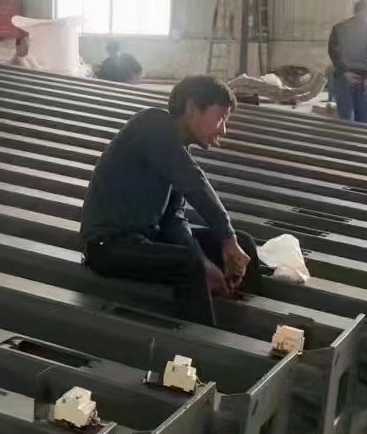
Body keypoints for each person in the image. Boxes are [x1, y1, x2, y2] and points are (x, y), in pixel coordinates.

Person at [80, 74, 260, 326]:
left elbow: (174, 218)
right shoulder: (151, 126)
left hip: (146, 238)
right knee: (192, 264)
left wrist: (209, 255)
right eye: (220, 117)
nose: (223, 129)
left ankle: (247, 323)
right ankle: (200, 342)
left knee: (243, 243)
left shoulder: (176, 148)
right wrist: (223, 241)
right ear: (192, 108)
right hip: (108, 245)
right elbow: (194, 181)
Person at [327, 0, 367, 124]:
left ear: (355, 11)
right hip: (364, 78)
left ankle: (347, 136)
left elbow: (332, 52)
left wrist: (344, 71)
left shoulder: (338, 28)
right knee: (362, 121)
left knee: (346, 119)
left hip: (343, 77)